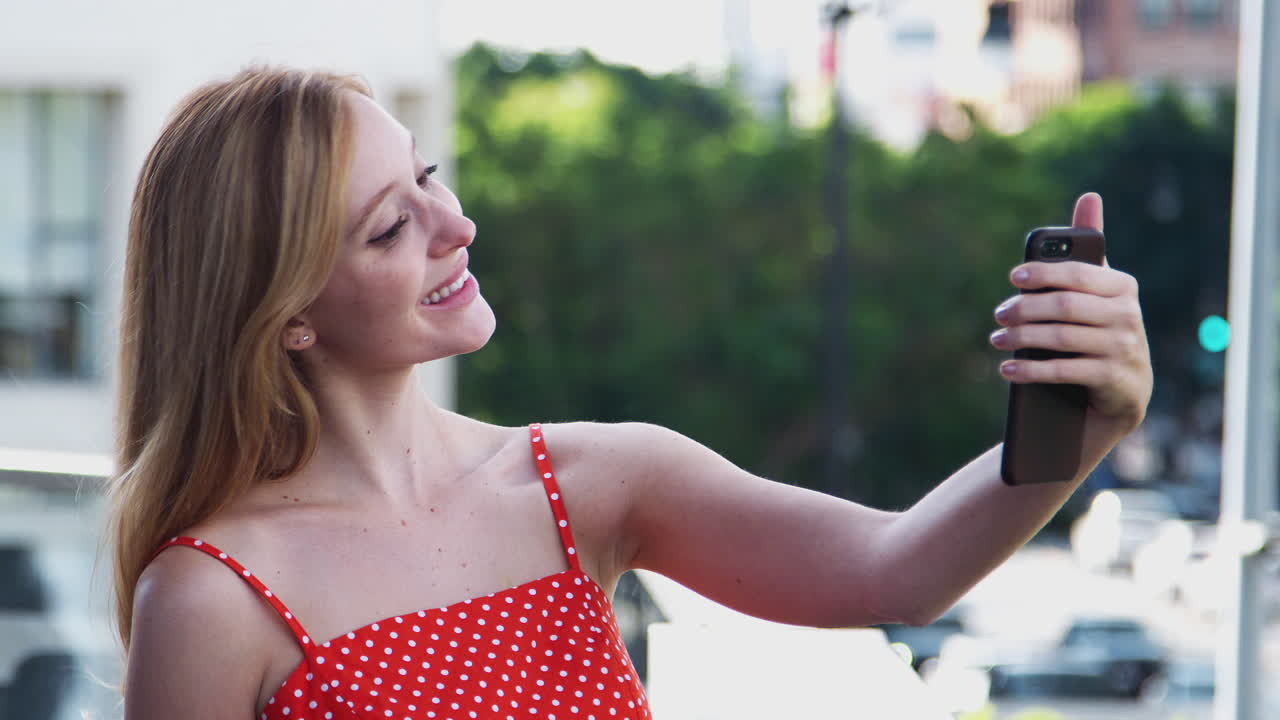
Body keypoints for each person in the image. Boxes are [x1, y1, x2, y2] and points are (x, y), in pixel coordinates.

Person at [110, 66, 1152, 720]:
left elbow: (894, 573)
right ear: (287, 314)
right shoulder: (211, 600)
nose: (455, 226)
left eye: (429, 179)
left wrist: (1079, 428)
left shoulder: (587, 483)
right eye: (390, 226)